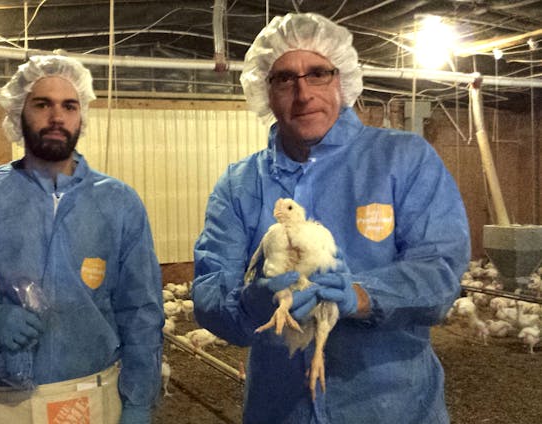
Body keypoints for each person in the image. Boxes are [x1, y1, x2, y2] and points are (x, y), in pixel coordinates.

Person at [192, 12, 470, 424]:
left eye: (318, 74)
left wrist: (361, 295)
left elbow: (442, 271)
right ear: (264, 92)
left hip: (391, 408)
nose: (303, 93)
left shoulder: (403, 160)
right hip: (279, 410)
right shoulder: (239, 185)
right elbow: (209, 294)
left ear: (342, 81)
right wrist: (253, 302)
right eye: (285, 79)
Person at [0, 55, 163, 424]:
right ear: (19, 112)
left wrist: (139, 402)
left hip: (92, 396)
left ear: (82, 116)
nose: (57, 117)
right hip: (6, 402)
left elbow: (141, 310)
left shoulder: (118, 203)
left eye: (69, 106)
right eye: (42, 104)